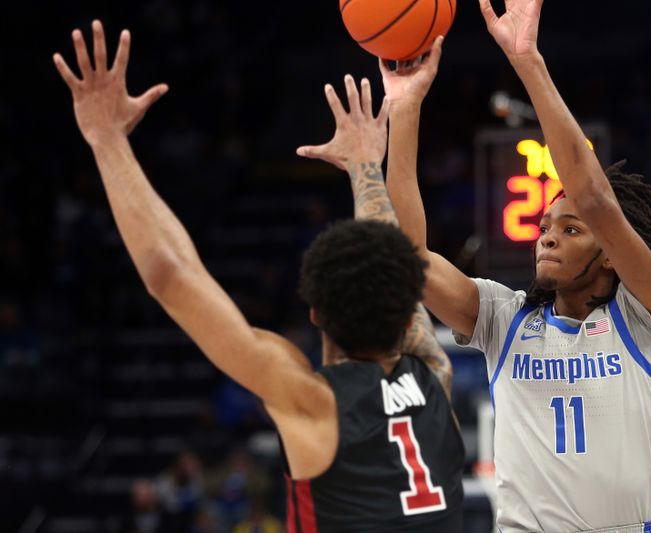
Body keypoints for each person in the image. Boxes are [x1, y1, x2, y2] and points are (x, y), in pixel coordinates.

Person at [53, 21, 464, 532]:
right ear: (408, 302)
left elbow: (172, 276)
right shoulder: (433, 375)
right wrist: (366, 168)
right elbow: (394, 257)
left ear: (314, 313)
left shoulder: (313, 402)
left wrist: (107, 140)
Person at [381, 1, 651, 531]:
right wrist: (405, 109)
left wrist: (528, 61)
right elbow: (407, 259)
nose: (547, 237)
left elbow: (594, 198)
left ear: (612, 257)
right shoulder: (506, 319)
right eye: (545, 227)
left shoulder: (650, 314)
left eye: (569, 230)